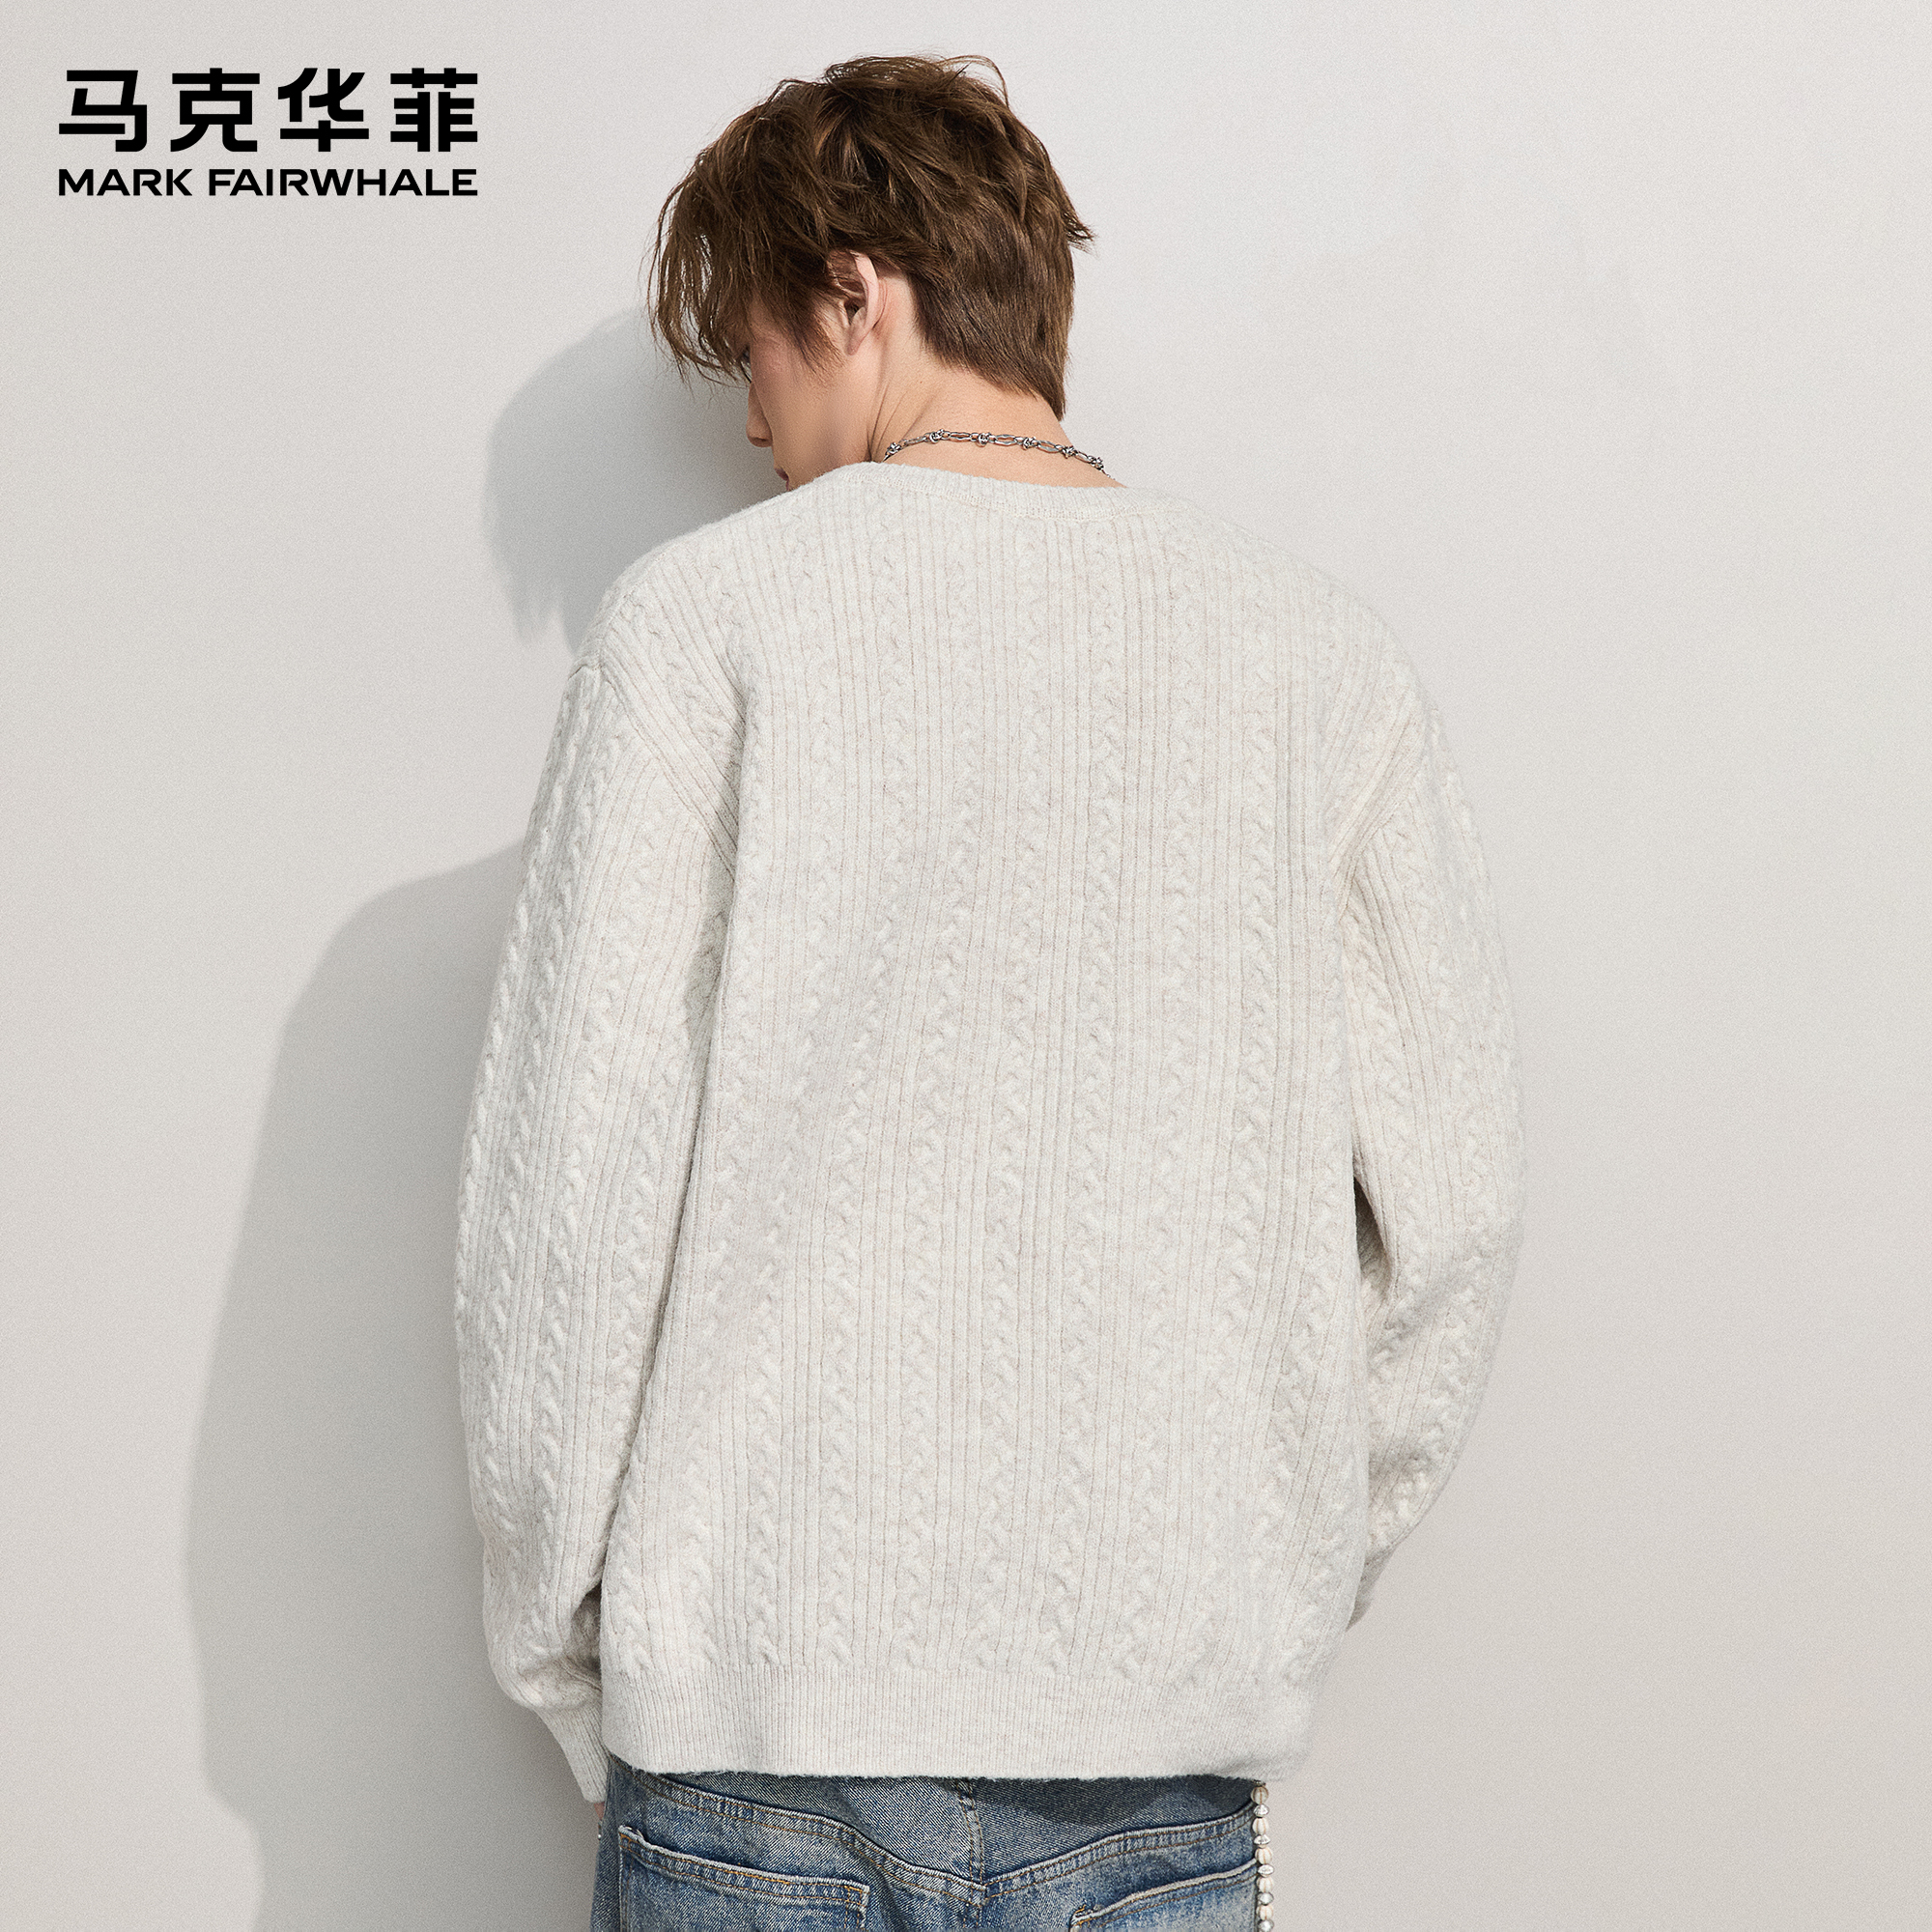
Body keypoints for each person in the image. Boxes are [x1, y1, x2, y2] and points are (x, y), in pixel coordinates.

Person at [453, 51, 1527, 1932]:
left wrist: (572, 1660)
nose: (755, 429)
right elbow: (1456, 1217)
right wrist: (1253, 1574)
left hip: (756, 1751)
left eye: (756, 361)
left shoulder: (705, 626)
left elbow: (570, 1207)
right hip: (1156, 1753)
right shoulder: (1320, 663)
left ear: (852, 291)